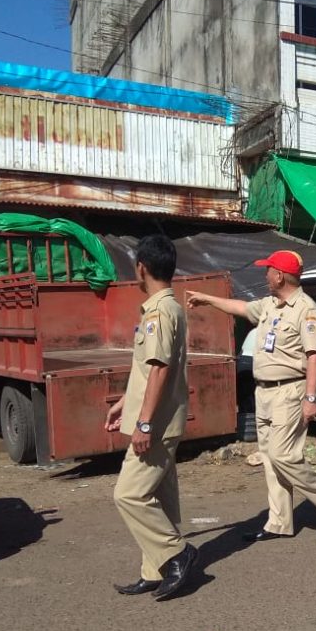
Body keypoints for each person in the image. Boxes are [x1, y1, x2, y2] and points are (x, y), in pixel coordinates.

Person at [187, 250, 316, 541]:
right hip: (264, 392)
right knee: (270, 458)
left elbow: (314, 355)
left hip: (290, 391)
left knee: (283, 455)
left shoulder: (305, 309)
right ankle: (279, 523)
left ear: (280, 275)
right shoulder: (270, 304)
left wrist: (310, 398)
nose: (265, 274)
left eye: (268, 270)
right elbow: (242, 308)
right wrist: (208, 299)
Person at [105, 234, 197, 601]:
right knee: (161, 495)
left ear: (141, 267)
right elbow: (149, 369)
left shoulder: (160, 312)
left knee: (128, 494)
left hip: (156, 423)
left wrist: (142, 423)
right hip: (159, 416)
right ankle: (155, 569)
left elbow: (158, 371)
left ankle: (177, 554)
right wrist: (126, 401)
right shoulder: (166, 308)